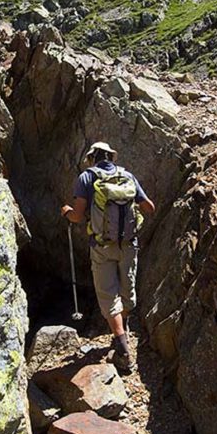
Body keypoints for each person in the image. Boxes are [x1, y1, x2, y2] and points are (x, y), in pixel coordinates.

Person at [61, 142, 155, 372]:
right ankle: (121, 334)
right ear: (111, 157)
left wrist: (65, 211)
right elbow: (149, 208)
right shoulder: (127, 176)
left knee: (108, 295)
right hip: (129, 244)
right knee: (126, 291)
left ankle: (123, 350)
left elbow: (77, 216)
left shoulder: (87, 177)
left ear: (92, 158)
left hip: (102, 246)